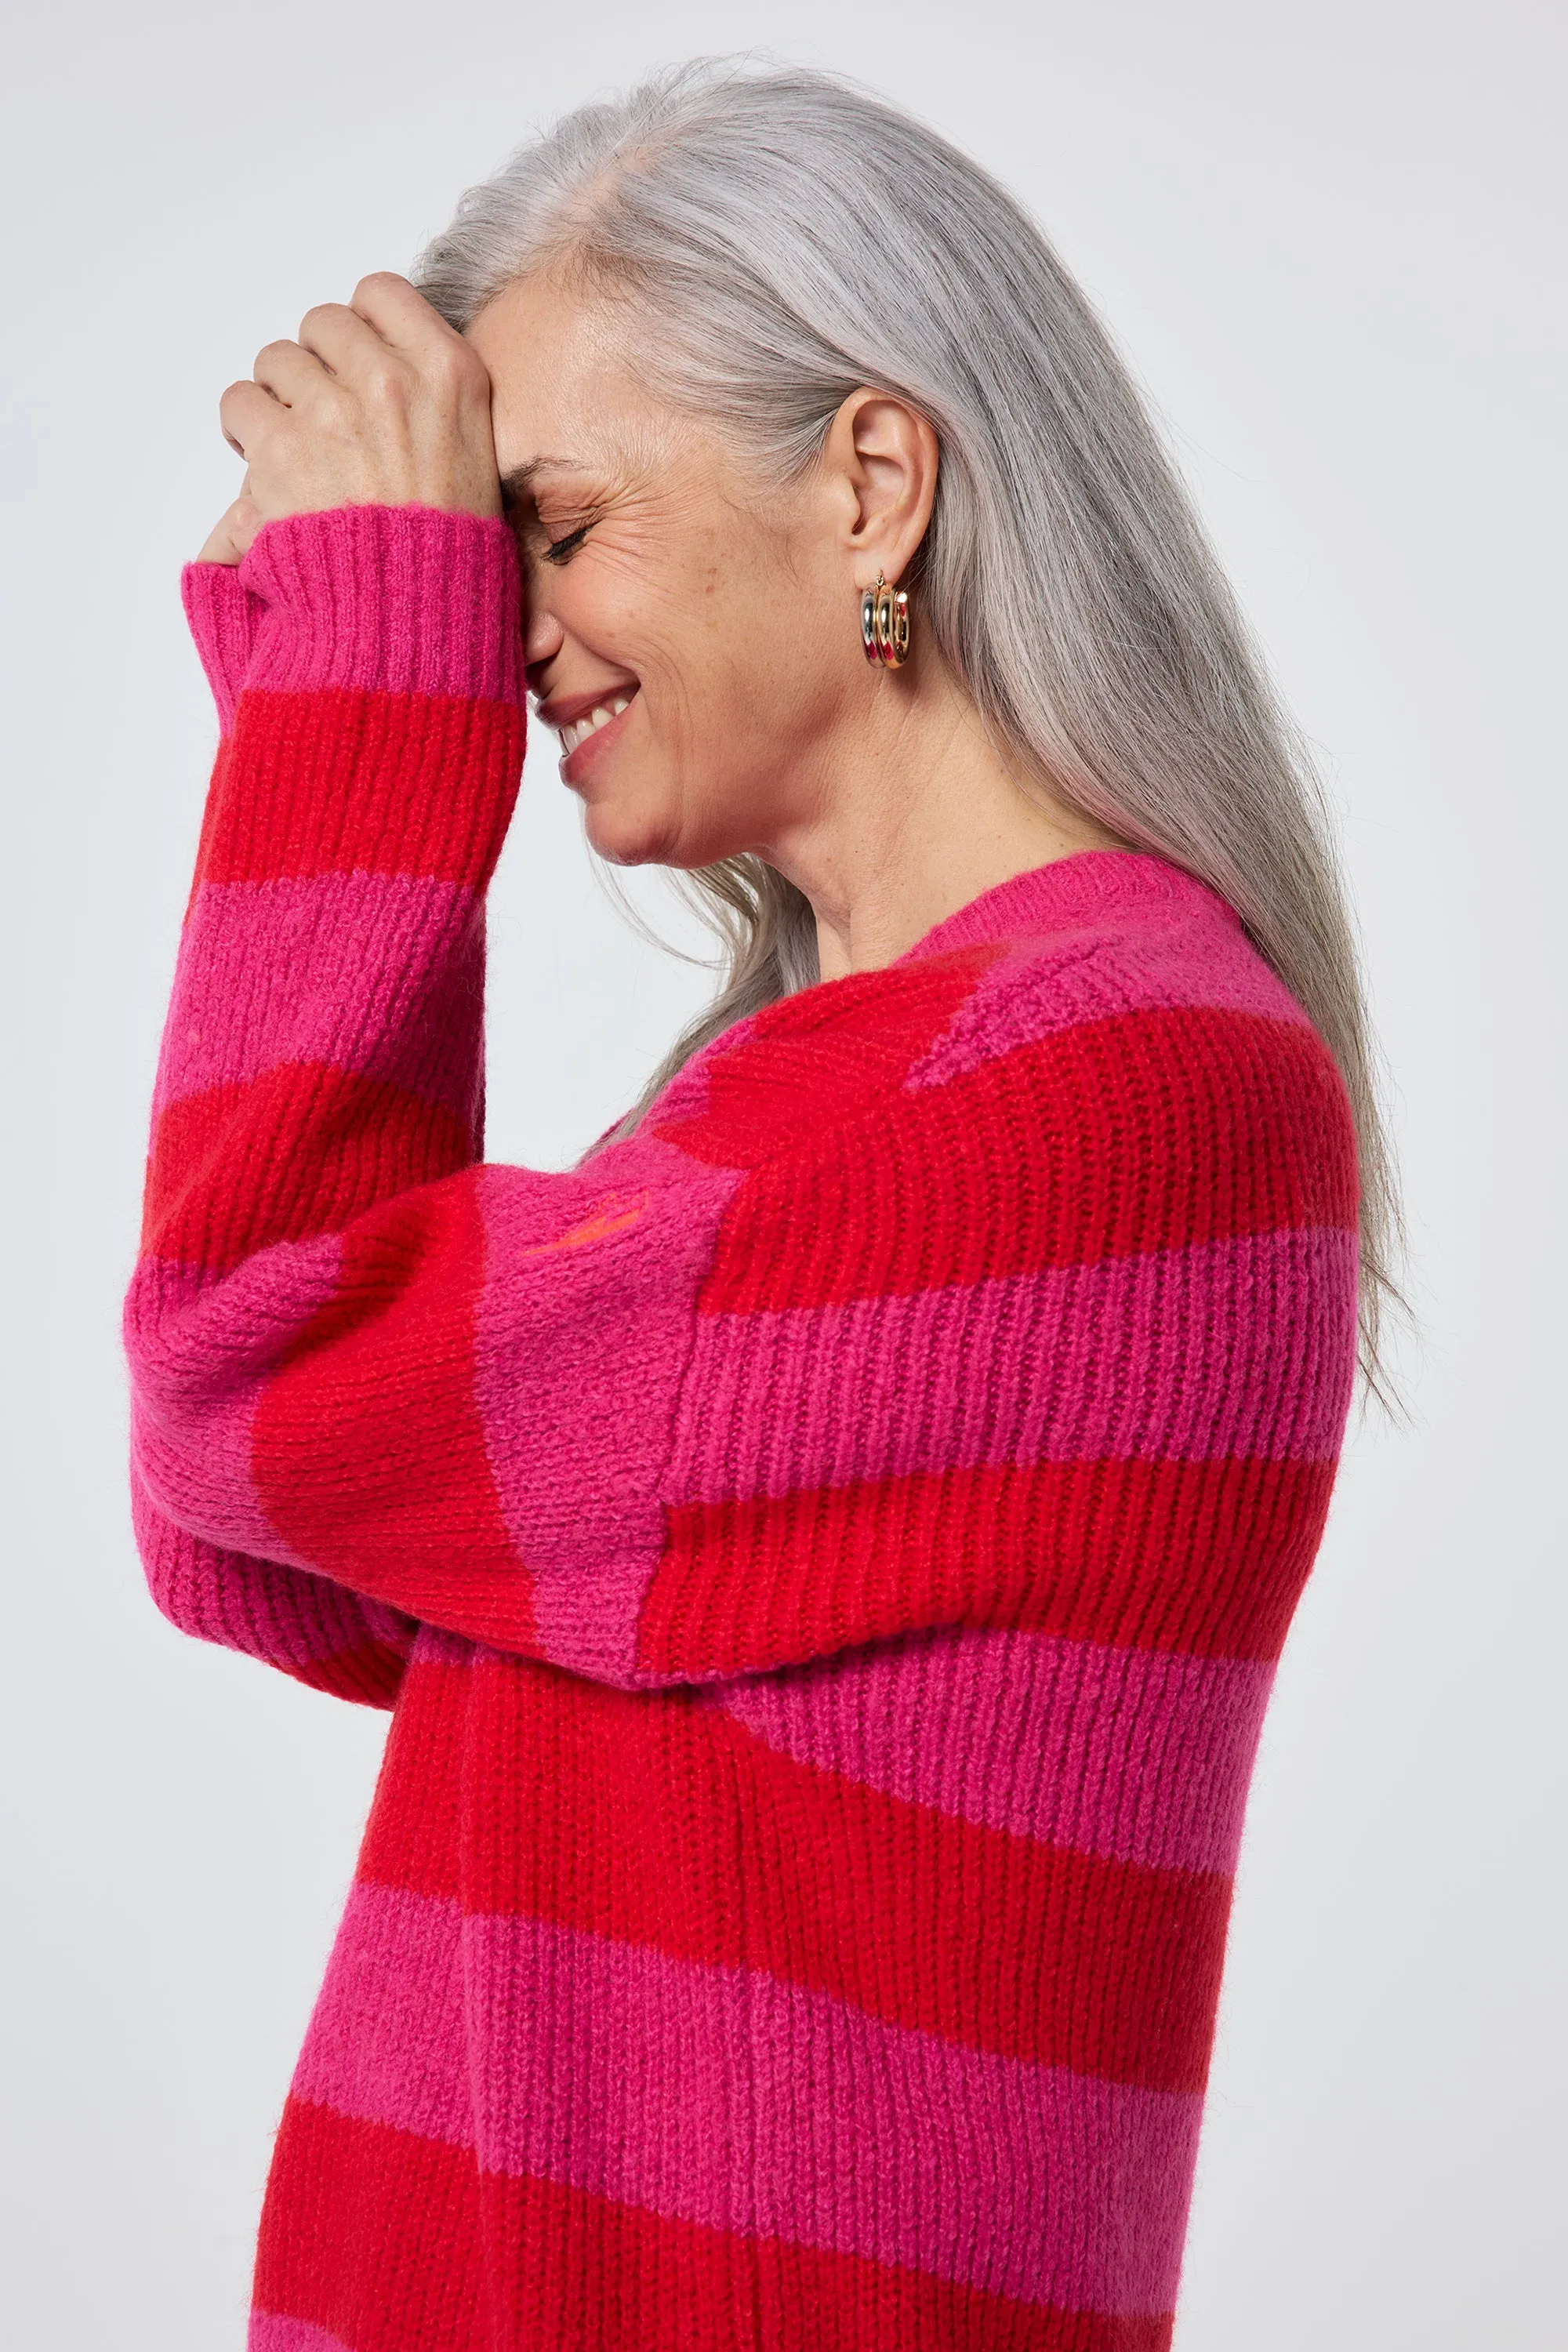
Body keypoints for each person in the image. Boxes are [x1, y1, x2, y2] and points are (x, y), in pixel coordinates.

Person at [125, 58, 1396, 2352]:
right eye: (482, 558)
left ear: (872, 487)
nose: (503, 633)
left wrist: (363, 663)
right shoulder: (778, 1116)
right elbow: (262, 1542)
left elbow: (250, 1379)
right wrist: (333, 644)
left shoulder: (1111, 1095)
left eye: (556, 523)